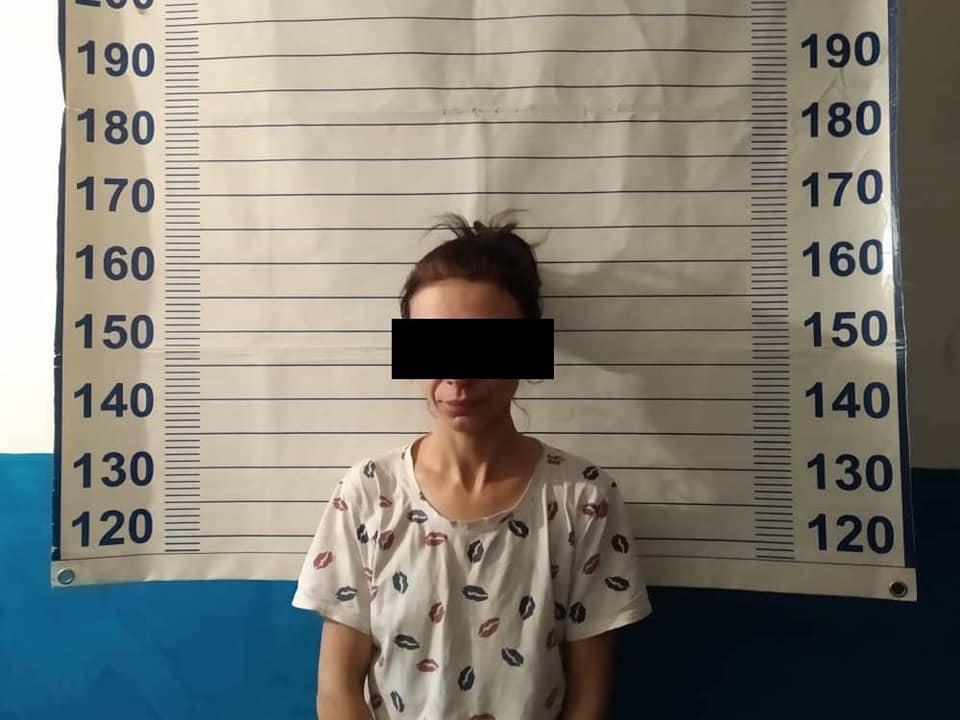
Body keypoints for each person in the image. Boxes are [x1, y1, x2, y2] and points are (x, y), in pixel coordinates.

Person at [292, 210, 653, 719]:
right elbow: (336, 690)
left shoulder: (583, 499)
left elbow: (588, 698)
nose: (458, 375)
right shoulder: (369, 493)